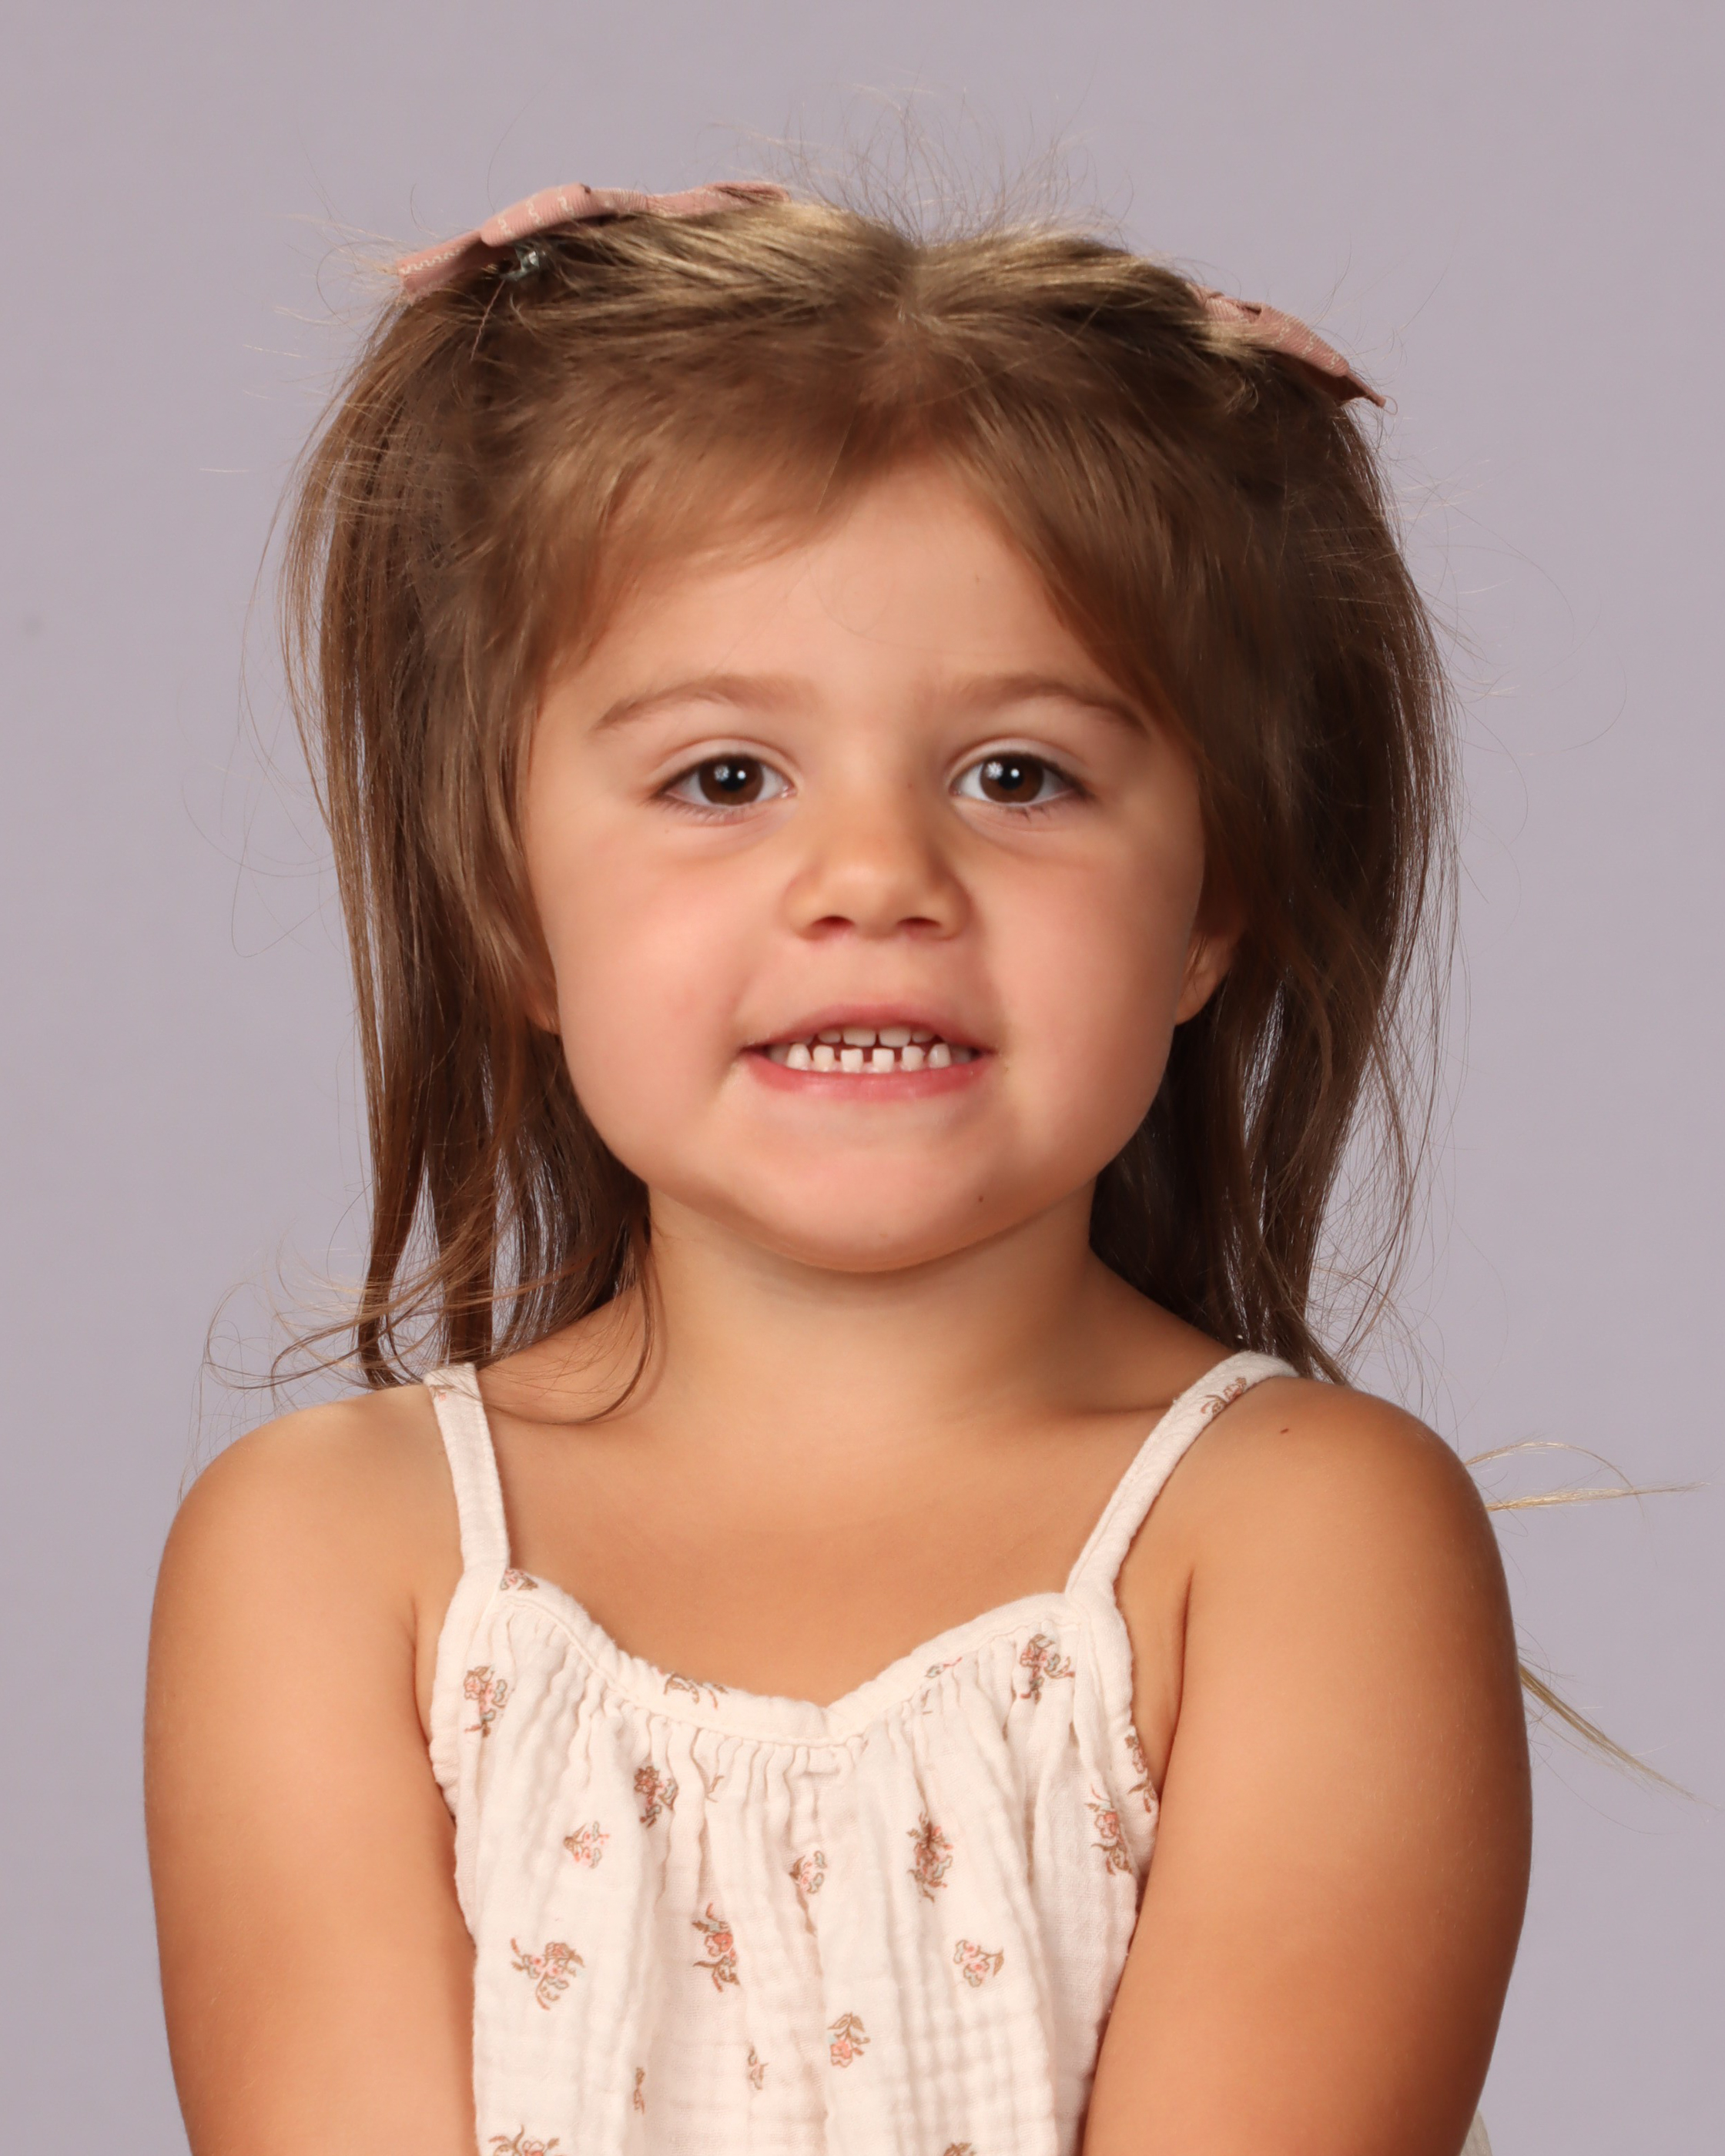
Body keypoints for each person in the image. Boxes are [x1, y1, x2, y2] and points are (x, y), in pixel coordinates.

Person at [144, 179, 1528, 2156]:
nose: (876, 877)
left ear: (1209, 906)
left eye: (1018, 775)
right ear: (511, 912)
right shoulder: (337, 1557)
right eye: (725, 776)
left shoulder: (1302, 1542)